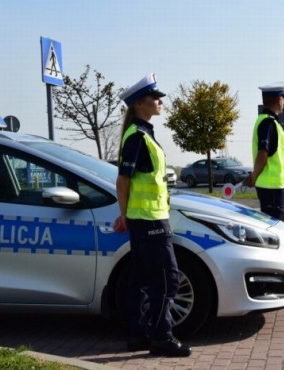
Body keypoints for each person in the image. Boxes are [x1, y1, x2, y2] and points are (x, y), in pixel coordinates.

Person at [113, 74, 191, 357]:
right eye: (156, 98)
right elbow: (123, 181)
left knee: (142, 279)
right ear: (140, 104)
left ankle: (138, 334)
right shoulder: (137, 138)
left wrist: (126, 215)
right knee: (168, 278)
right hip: (149, 220)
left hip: (146, 218)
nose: (160, 102)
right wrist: (124, 215)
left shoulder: (142, 134)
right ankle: (161, 336)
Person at [246, 82, 284, 221]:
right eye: (283, 99)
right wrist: (253, 177)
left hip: (275, 187)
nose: (283, 102)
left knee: (276, 228)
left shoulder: (268, 122)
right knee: (275, 230)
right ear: (279, 100)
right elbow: (263, 153)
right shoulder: (268, 124)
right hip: (272, 188)